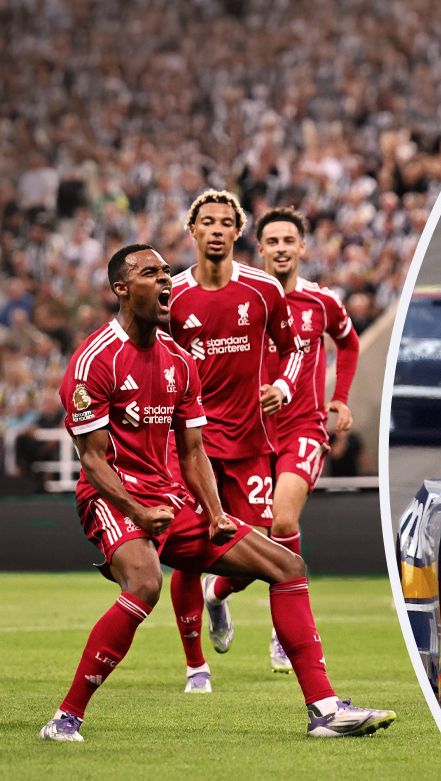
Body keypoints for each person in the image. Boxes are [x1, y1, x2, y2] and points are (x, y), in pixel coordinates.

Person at [39, 244, 395, 741]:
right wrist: (136, 510)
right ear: (121, 288)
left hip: (170, 498)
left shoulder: (180, 362)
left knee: (287, 565)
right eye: (150, 273)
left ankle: (325, 710)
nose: (165, 281)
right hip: (113, 498)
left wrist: (214, 512)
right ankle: (65, 719)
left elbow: (192, 452)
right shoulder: (95, 360)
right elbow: (93, 461)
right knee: (145, 584)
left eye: (167, 272)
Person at [202, 206, 359, 672]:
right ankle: (216, 592)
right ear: (260, 249)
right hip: (248, 434)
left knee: (283, 520)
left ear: (302, 246)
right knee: (253, 545)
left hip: (302, 427)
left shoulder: (322, 302)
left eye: (289, 240)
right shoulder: (245, 298)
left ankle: (282, 633)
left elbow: (349, 343)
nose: (281, 248)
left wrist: (340, 398)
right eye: (272, 241)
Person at [165, 189, 303, 692]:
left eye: (226, 222)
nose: (217, 229)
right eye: (208, 222)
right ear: (193, 230)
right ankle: (195, 667)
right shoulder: (173, 297)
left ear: (237, 231)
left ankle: (218, 594)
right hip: (190, 447)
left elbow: (293, 349)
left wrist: (283, 386)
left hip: (248, 443)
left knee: (252, 558)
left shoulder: (263, 290)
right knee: (188, 551)